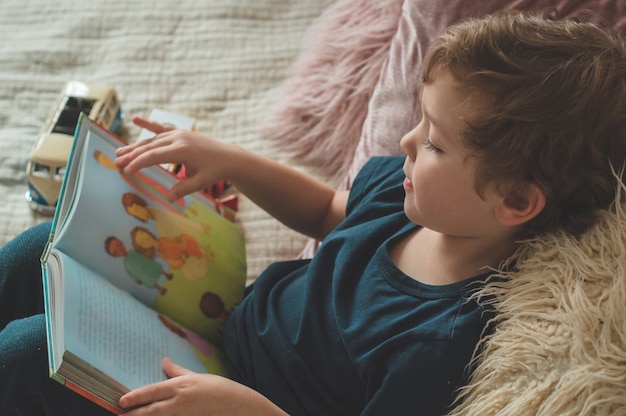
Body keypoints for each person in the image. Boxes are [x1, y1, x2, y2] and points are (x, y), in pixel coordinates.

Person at [1, 9, 625, 416]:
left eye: (434, 142)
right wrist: (234, 161)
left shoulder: (443, 341)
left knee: (28, 356)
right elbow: (330, 209)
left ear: (515, 202)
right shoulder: (406, 199)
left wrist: (246, 409)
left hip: (229, 400)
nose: (406, 143)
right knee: (39, 249)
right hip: (218, 324)